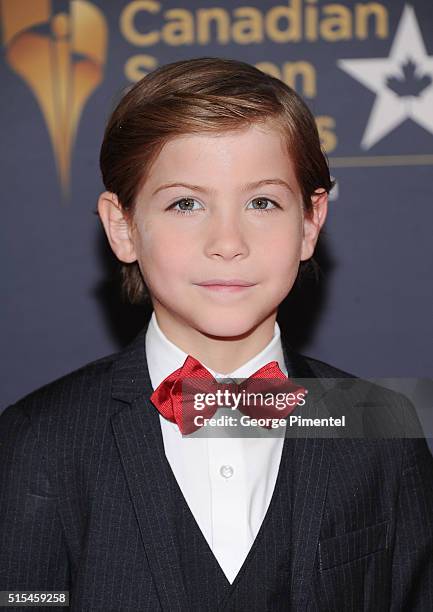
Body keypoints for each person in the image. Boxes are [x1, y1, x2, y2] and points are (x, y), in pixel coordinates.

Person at [1, 56, 432, 611]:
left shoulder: (380, 428)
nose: (227, 241)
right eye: (186, 203)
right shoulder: (42, 439)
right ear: (123, 227)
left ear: (310, 222)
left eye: (262, 202)